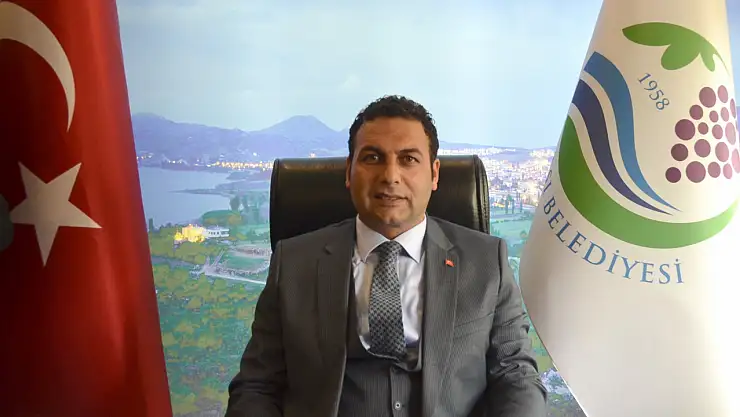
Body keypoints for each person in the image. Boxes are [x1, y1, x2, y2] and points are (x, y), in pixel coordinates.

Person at [225, 95, 547, 417]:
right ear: (349, 171)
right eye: (373, 158)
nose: (390, 176)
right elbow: (257, 386)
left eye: (408, 159)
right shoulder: (294, 263)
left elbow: (516, 375)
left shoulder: (487, 262)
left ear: (434, 174)